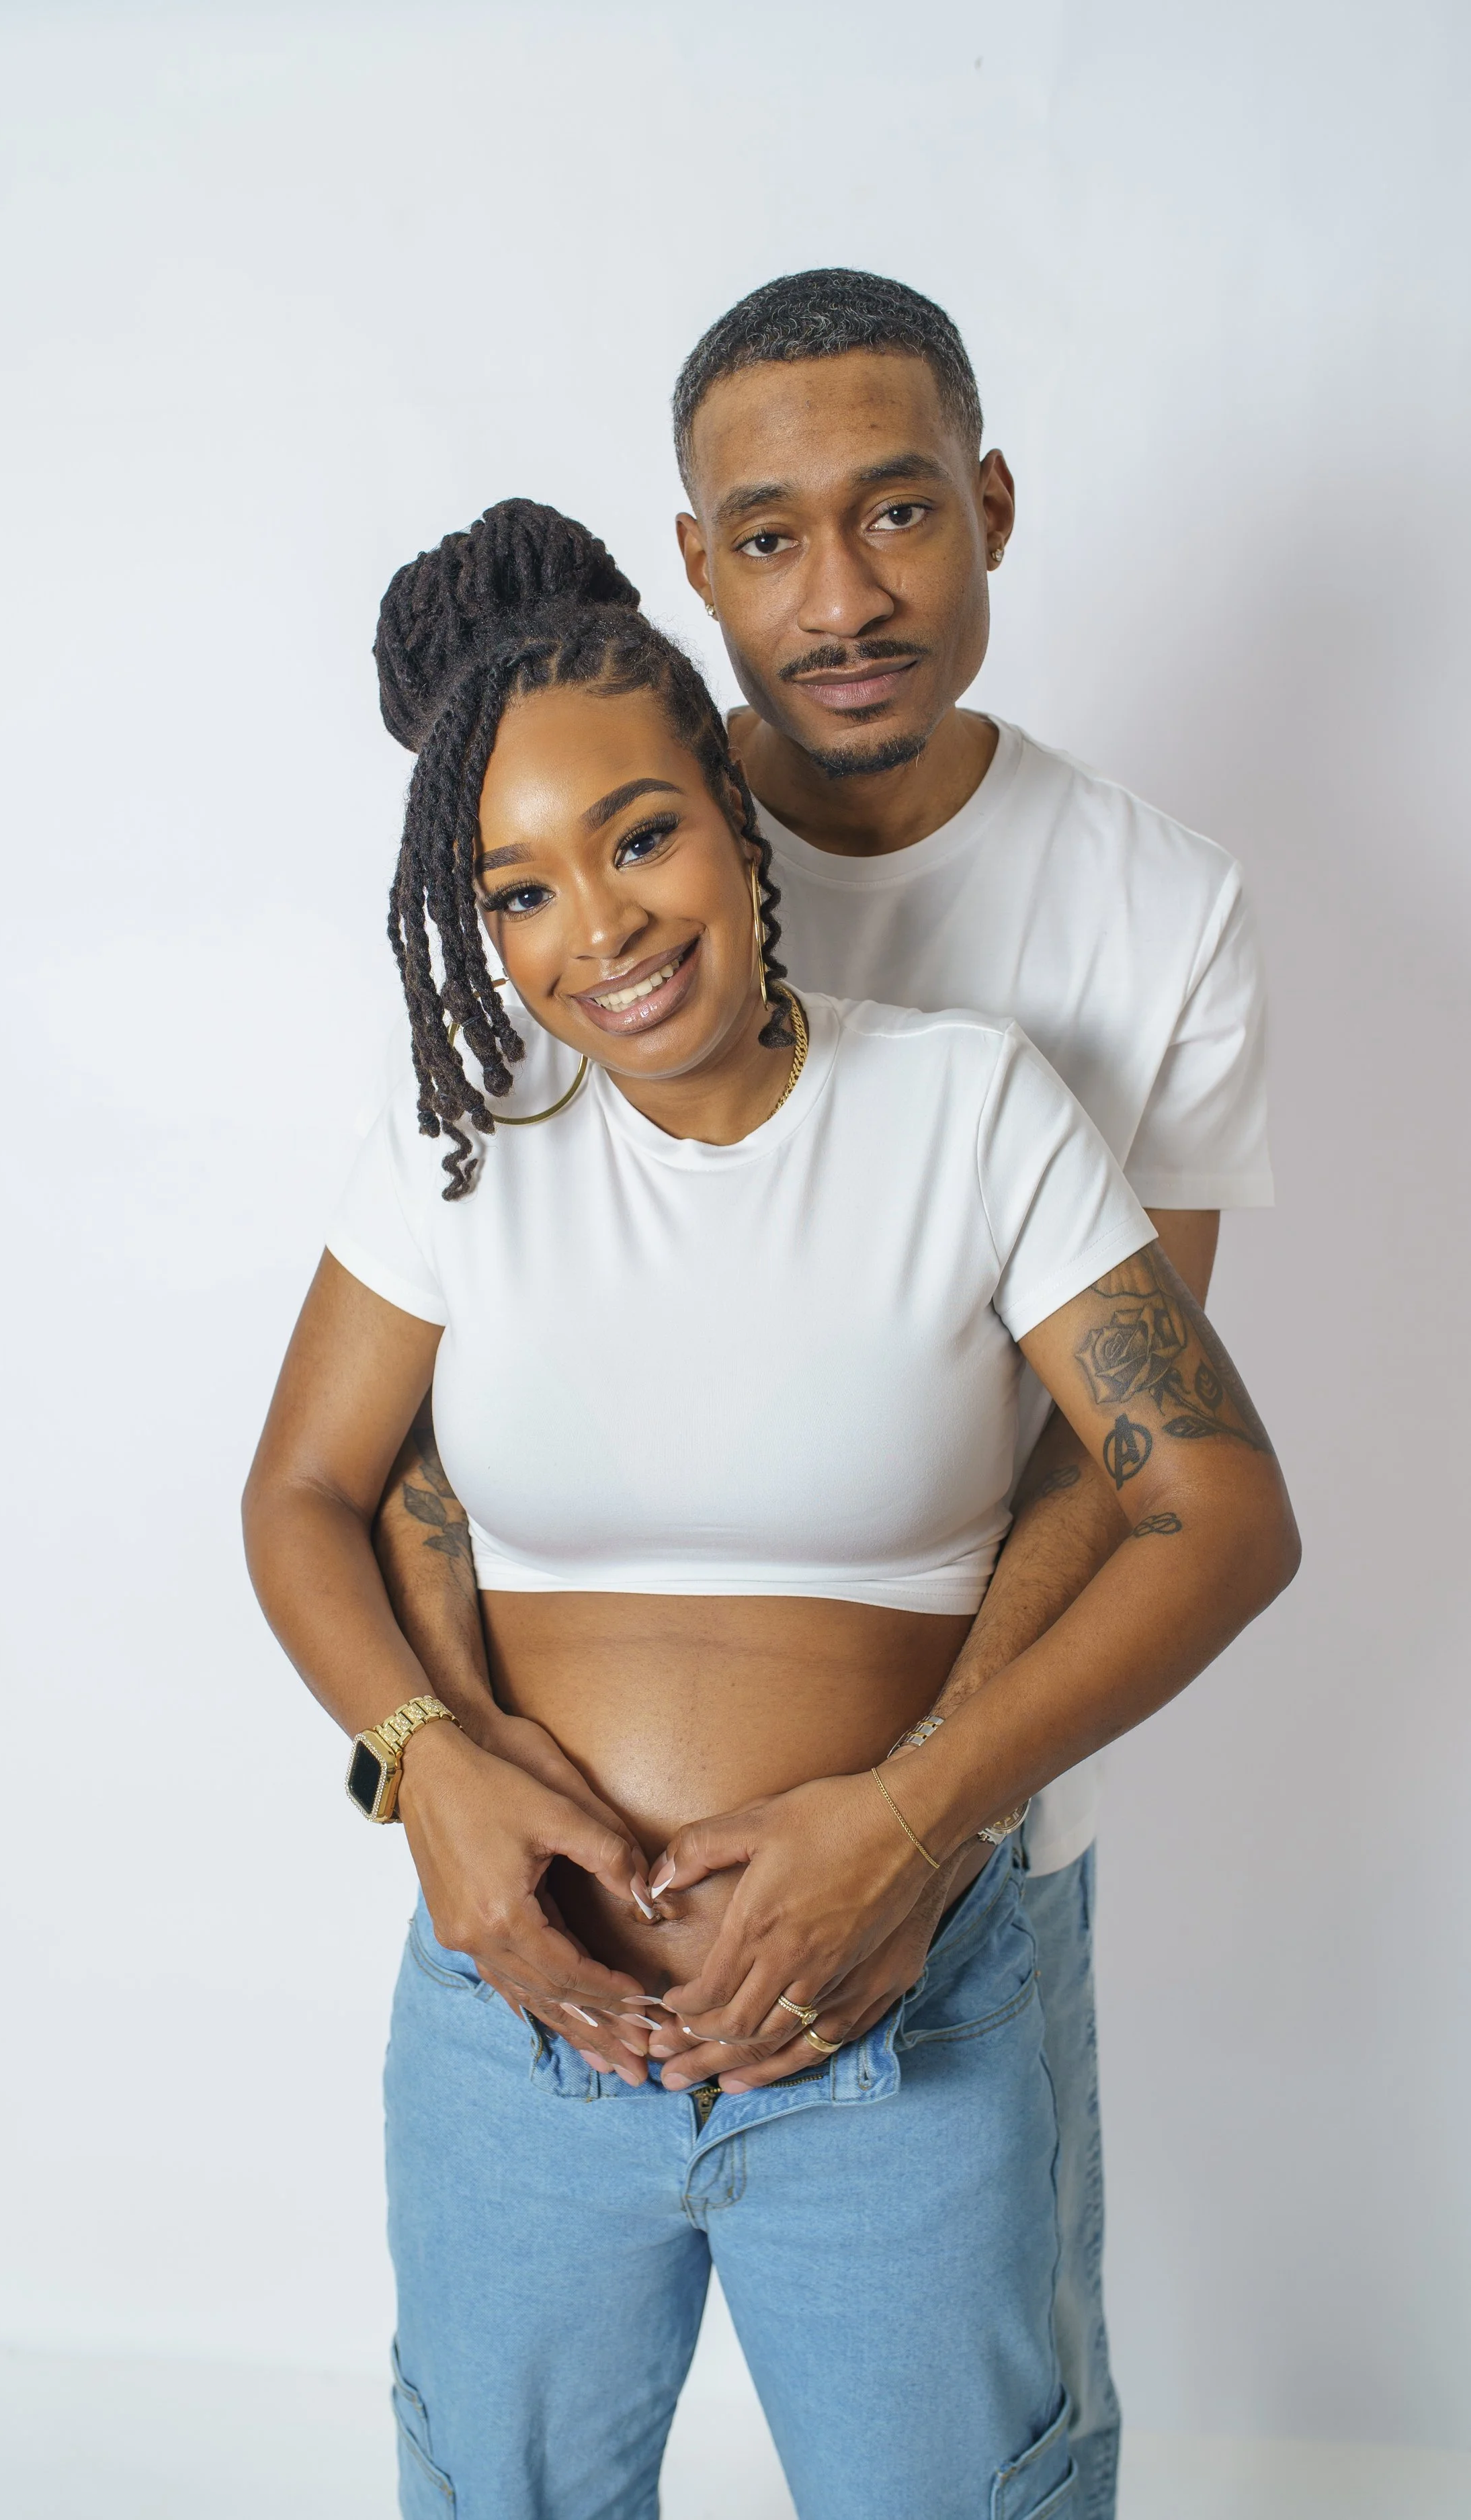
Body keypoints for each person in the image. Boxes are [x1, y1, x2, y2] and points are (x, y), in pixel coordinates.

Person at [242, 497, 1298, 2518]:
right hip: (519, 2030)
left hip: (889, 2038)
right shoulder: (465, 1144)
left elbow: (1222, 1510)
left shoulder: (970, 1105)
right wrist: (423, 1769)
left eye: (636, 836)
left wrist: (905, 1823)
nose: (601, 931)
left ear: (730, 809)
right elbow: (299, 1489)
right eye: (518, 891)